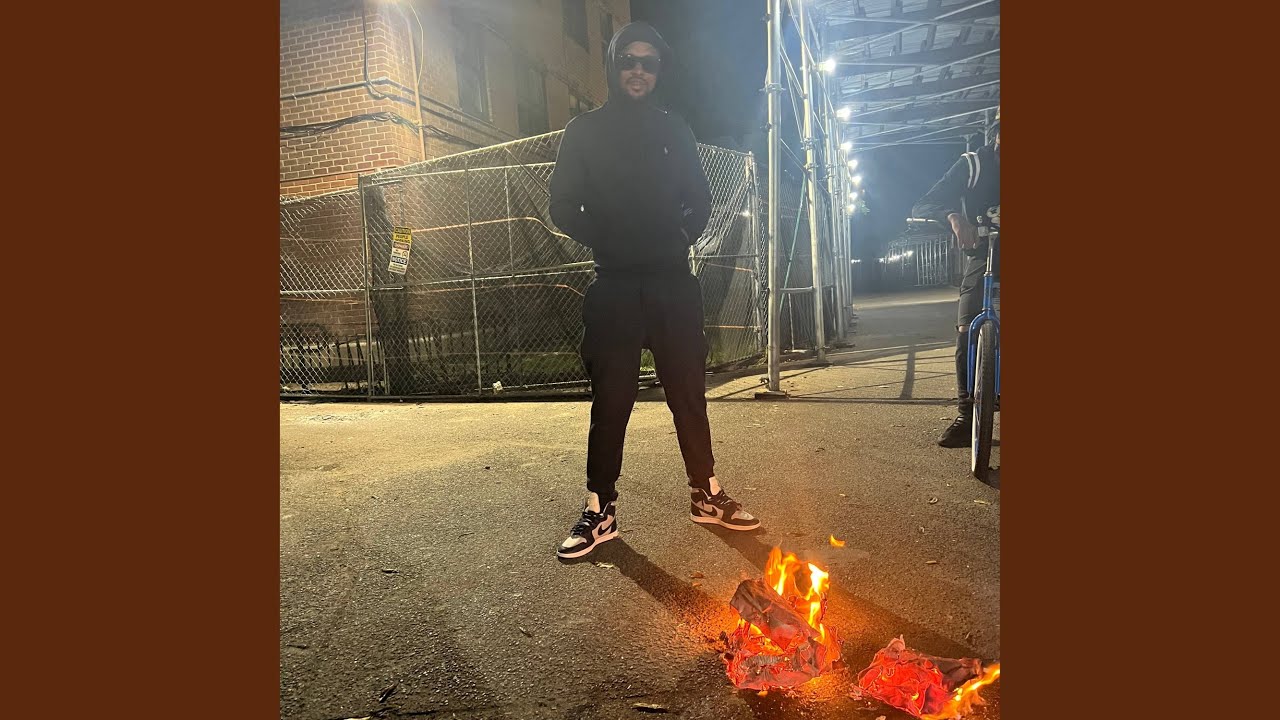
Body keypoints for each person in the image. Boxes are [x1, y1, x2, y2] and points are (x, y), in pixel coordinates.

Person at [549, 22, 761, 559]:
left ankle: (706, 494)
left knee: (688, 394)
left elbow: (700, 199)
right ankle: (599, 509)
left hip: (672, 282)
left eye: (648, 62)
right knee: (611, 400)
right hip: (615, 286)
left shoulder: (674, 129)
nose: (638, 70)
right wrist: (609, 237)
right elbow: (561, 206)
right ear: (613, 65)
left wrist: (678, 236)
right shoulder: (584, 131)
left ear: (658, 70)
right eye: (628, 60)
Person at [911, 108, 1000, 448]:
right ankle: (966, 413)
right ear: (997, 134)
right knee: (967, 325)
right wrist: (953, 218)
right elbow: (924, 204)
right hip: (985, 253)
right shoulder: (974, 165)